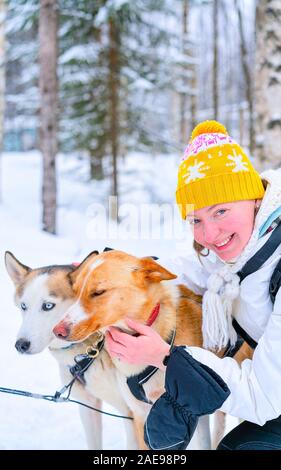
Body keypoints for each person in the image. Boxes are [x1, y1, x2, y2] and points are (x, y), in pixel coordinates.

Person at [106, 120, 281, 450]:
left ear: (256, 199)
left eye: (221, 211)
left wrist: (168, 359)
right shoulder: (233, 256)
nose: (209, 235)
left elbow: (262, 396)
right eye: (196, 220)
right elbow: (182, 270)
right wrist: (105, 274)